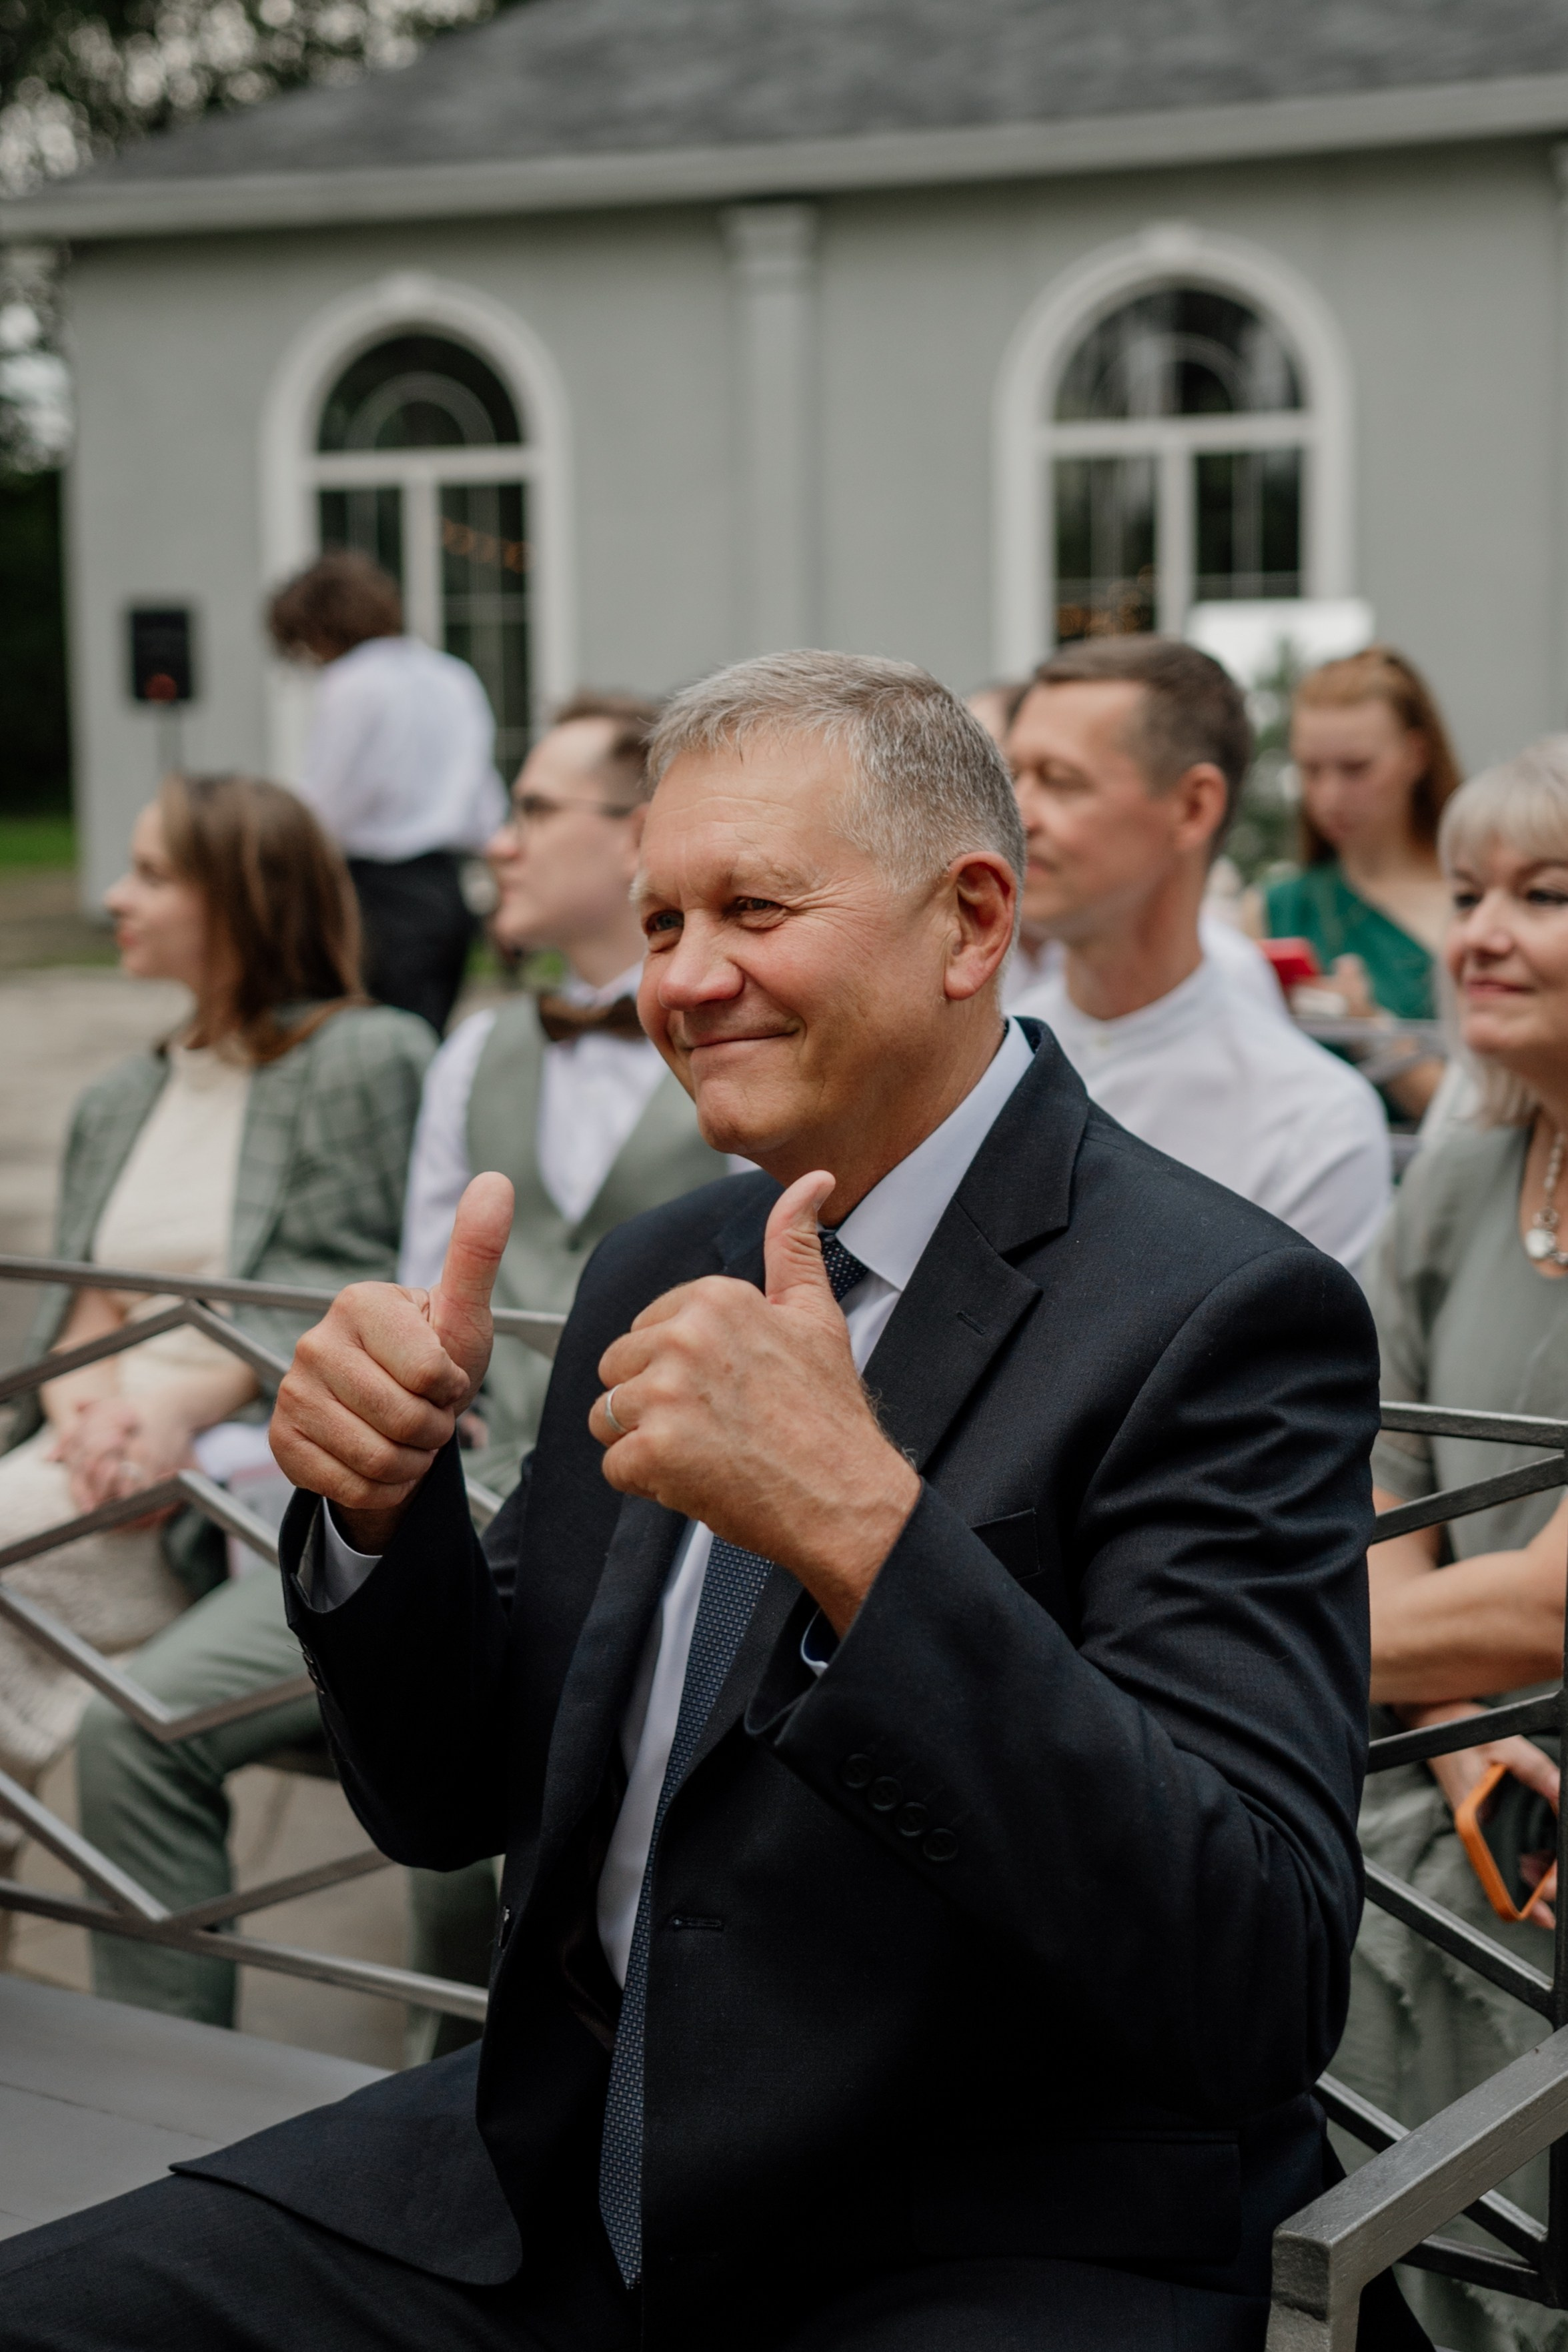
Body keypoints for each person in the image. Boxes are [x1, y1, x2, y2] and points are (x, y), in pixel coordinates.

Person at [0, 650, 1387, 2352]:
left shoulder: (1215, 1309)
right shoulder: (667, 1255)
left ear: (966, 922)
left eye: (750, 907)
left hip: (973, 2225)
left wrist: (862, 1535)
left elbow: (1245, 1965)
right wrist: (377, 1516)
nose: (684, 979)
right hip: (556, 2161)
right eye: (658, 923)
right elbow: (453, 1795)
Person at [16, 774, 435, 2021]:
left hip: (233, 1483)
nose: (111, 897)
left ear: (241, 897)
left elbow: (364, 1282)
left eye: (149, 873)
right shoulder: (120, 1094)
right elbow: (84, 1301)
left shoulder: (366, 1055)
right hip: (90, 1455)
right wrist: (100, 1408)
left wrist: (179, 1405)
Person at [397, 690, 728, 2053]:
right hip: (473, 1482)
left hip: (660, 1507)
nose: (497, 838)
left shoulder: (739, 1043)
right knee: (429, 1792)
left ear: (635, 831)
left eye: (535, 807)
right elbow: (432, 1283)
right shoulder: (475, 1050)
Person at [1341, 739, 1568, 2352]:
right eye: (1468, 891)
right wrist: (1443, 1737)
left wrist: (1183, 1642)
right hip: (1442, 1754)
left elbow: (1555, 1599)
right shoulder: (1456, 1174)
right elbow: (1370, 1474)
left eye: (1542, 896)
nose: (1476, 930)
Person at [1006, 635, 1391, 1267]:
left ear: (1192, 806)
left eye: (1060, 781)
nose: (1018, 814)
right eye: (1011, 776)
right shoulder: (976, 1058)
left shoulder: (1310, 1124)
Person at [267, 549, 506, 1035]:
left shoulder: (352, 684)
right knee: (427, 1037)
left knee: (372, 1042)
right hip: (446, 889)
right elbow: (483, 797)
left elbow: (330, 803)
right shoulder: (451, 675)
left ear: (319, 628)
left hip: (374, 894)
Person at [1251, 645, 1462, 1117]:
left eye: (1355, 768)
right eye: (1310, 770)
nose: (1328, 795)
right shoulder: (1274, 908)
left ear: (1416, 754)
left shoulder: (1478, 898)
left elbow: (1493, 1117)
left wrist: (1368, 1029)